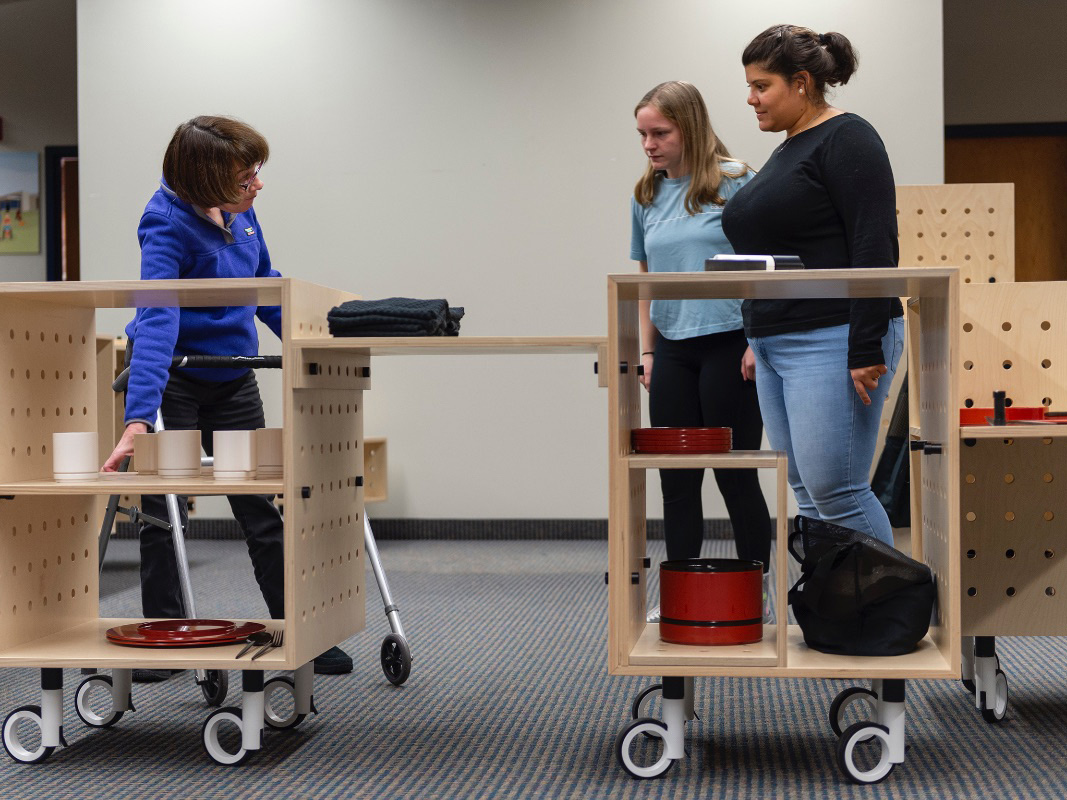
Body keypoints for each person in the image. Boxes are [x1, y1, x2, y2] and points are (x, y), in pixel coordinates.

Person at [102, 116, 353, 678]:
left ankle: (301, 630)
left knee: (260, 507)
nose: (257, 185)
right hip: (179, 377)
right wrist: (139, 418)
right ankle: (164, 634)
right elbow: (158, 315)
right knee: (165, 509)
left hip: (233, 377)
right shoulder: (163, 223)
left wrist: (316, 340)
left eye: (255, 174)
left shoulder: (239, 212)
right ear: (208, 179)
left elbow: (264, 284)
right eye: (247, 177)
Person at [721, 25, 906, 547]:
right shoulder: (788, 150)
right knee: (807, 491)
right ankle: (838, 618)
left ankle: (884, 620)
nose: (750, 98)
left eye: (762, 86)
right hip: (775, 341)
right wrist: (754, 335)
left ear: (801, 81)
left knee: (838, 490)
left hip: (835, 335)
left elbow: (875, 244)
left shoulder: (848, 137)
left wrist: (867, 343)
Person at [630, 81, 774, 620]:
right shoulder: (645, 195)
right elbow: (644, 283)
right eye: (643, 134)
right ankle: (682, 598)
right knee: (676, 481)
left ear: (688, 127)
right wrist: (647, 354)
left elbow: (766, 272)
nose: (649, 144)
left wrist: (758, 340)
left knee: (735, 475)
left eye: (660, 133)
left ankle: (753, 593)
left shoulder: (738, 182)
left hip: (730, 345)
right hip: (671, 349)